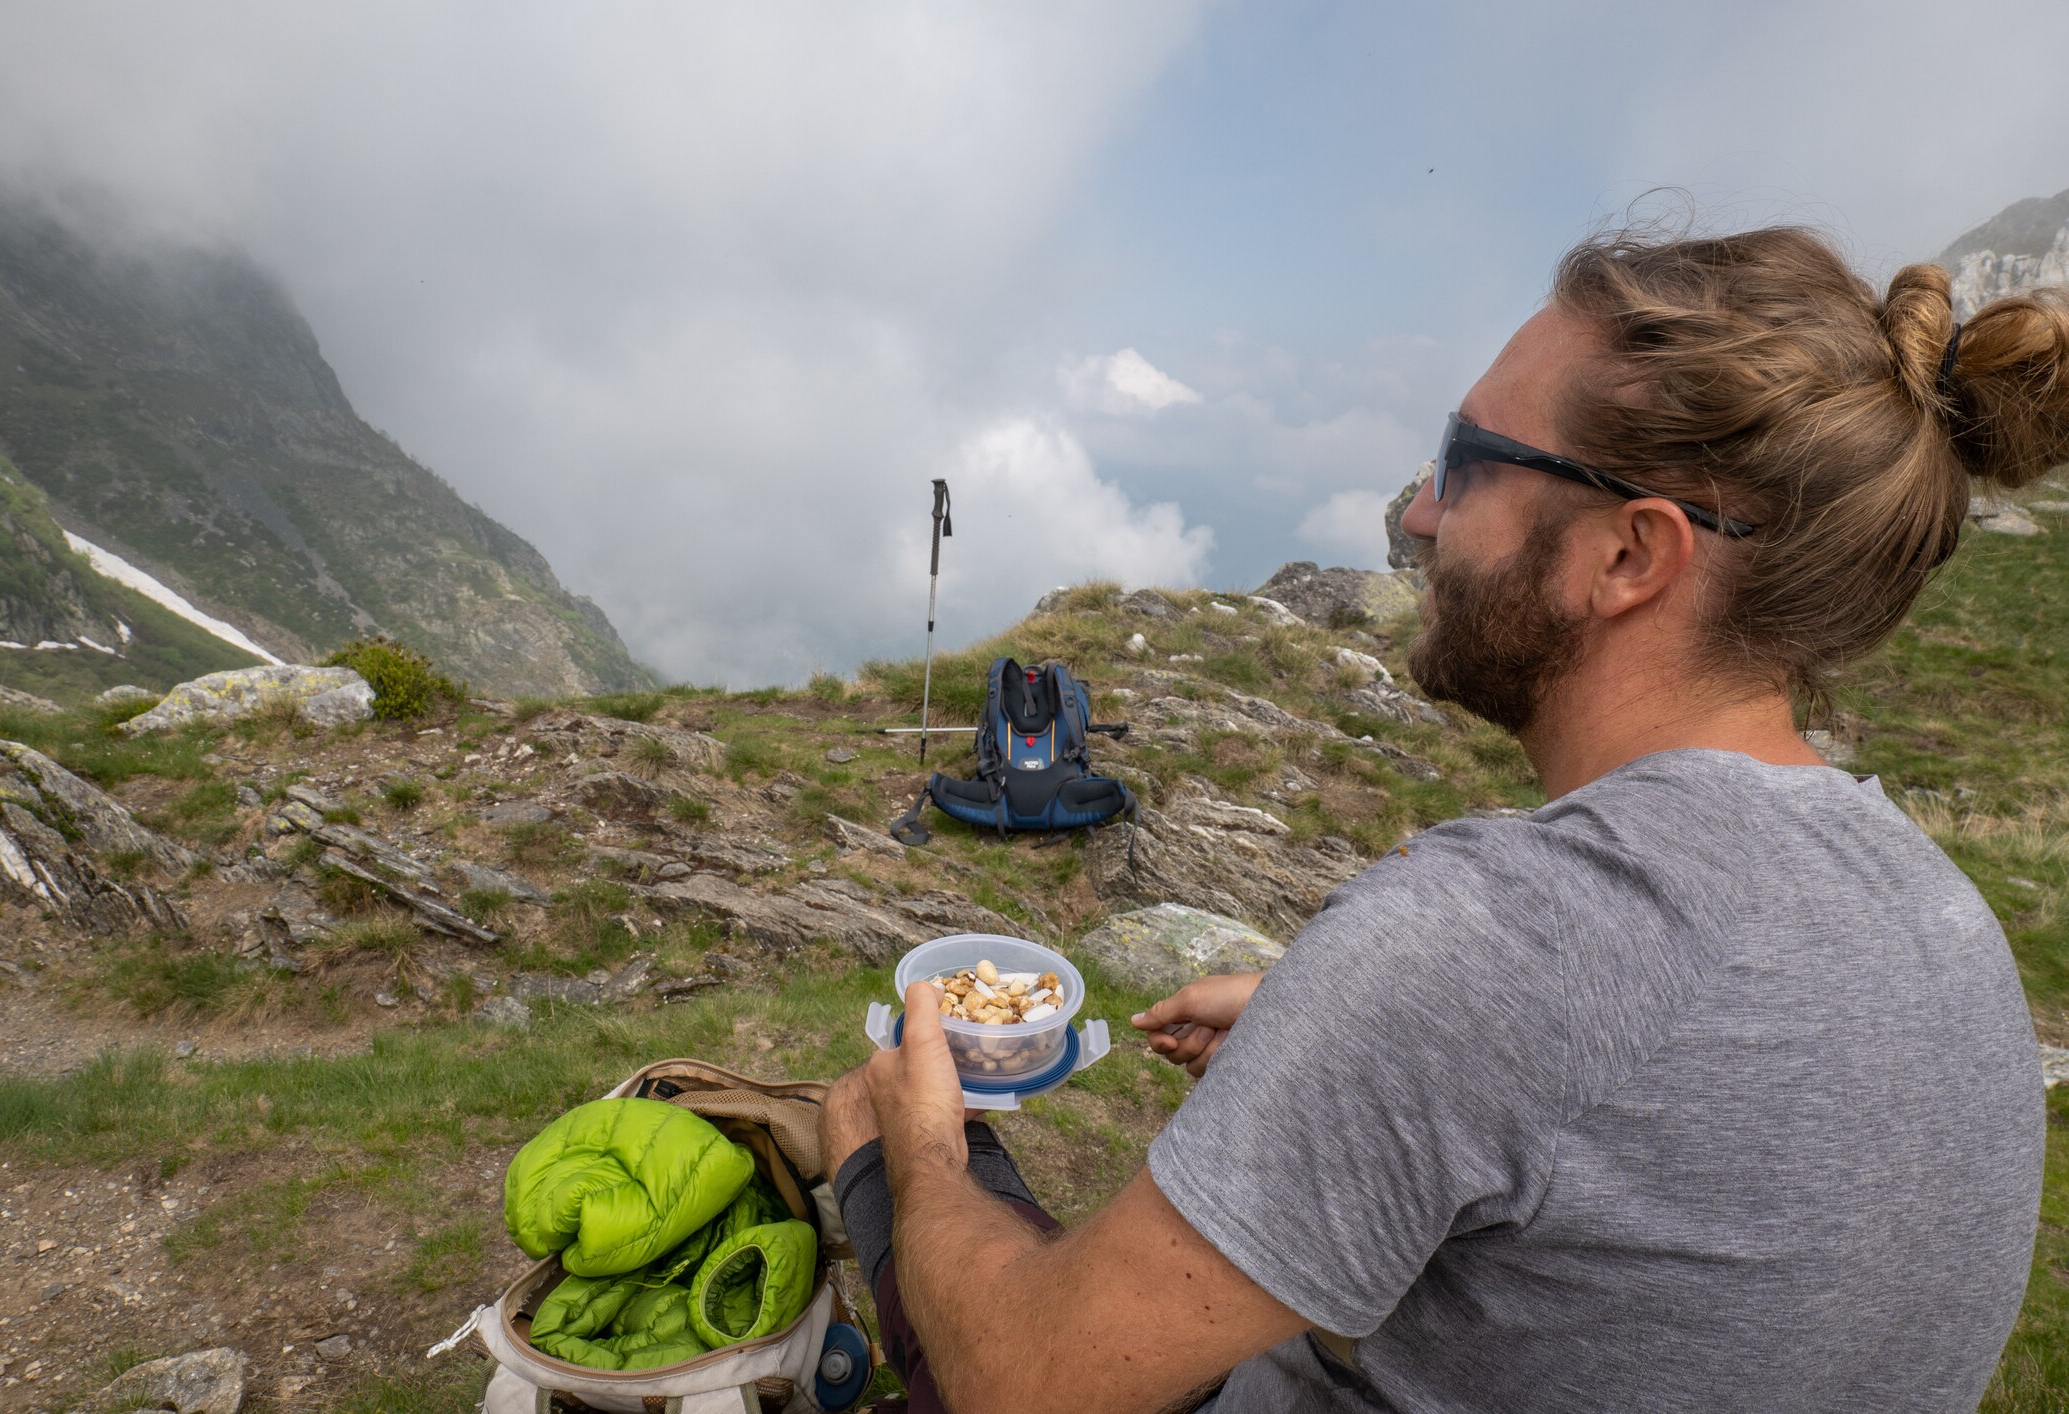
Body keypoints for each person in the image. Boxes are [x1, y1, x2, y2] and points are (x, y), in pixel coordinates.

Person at [822, 225, 2058, 1413]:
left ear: (1632, 556)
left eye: (1465, 459)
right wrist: (1358, 1035)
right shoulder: (1947, 926)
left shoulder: (1493, 941)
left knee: (879, 1143)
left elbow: (1029, 1384)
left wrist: (915, 1151)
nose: (1418, 512)